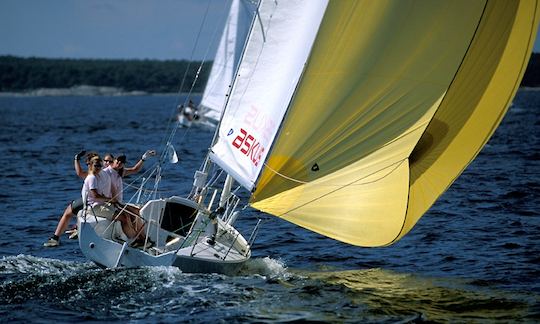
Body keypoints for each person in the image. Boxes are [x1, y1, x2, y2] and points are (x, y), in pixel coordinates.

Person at [43, 150, 154, 247]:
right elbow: (81, 175)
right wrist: (76, 159)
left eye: (108, 162)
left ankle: (142, 239)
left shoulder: (115, 172)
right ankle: (59, 236)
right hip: (92, 201)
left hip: (106, 202)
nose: (107, 164)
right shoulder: (100, 174)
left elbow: (134, 170)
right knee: (69, 212)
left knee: (134, 212)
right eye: (106, 162)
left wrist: (143, 158)